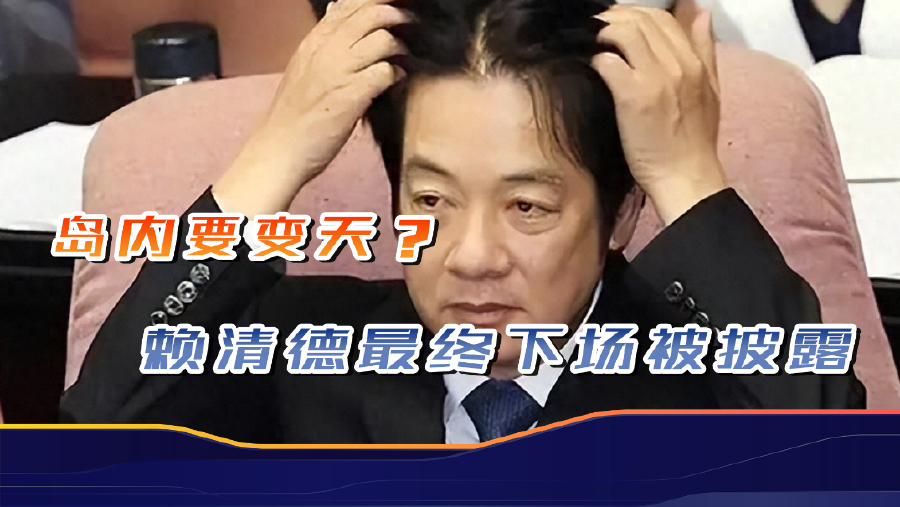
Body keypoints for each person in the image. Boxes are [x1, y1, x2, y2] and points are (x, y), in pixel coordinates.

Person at [60, 0, 865, 444]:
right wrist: (271, 159)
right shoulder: (304, 349)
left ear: (620, 212)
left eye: (527, 207)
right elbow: (96, 442)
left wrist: (687, 176)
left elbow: (833, 463)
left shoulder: (699, 373)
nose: (471, 257)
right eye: (430, 202)